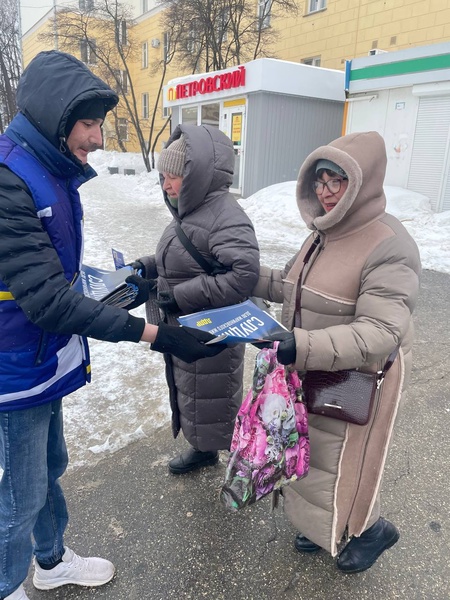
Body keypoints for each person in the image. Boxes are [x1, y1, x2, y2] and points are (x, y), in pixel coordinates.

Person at [0, 51, 222, 600]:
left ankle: (49, 561)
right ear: (56, 117)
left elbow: (59, 274)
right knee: (22, 493)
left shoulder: (47, 168)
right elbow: (48, 300)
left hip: (42, 356)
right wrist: (156, 335)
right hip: (14, 364)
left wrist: (127, 288)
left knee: (52, 465)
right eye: (90, 124)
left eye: (101, 125)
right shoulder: (9, 180)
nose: (99, 139)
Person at [251, 131, 421, 573]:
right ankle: (322, 527)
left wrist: (301, 346)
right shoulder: (322, 234)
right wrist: (245, 278)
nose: (325, 193)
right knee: (313, 459)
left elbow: (383, 329)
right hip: (310, 366)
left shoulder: (388, 243)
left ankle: (370, 529)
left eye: (337, 182)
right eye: (320, 181)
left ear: (362, 183)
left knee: (349, 464)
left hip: (357, 376)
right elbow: (291, 285)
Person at [131, 124, 260, 475]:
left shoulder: (225, 216)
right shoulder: (193, 211)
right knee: (194, 393)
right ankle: (203, 448)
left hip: (211, 329)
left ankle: (228, 453)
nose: (166, 184)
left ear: (197, 174)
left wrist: (180, 295)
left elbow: (242, 276)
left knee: (212, 394)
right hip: (189, 324)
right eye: (163, 175)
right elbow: (186, 260)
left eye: (174, 175)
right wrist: (147, 266)